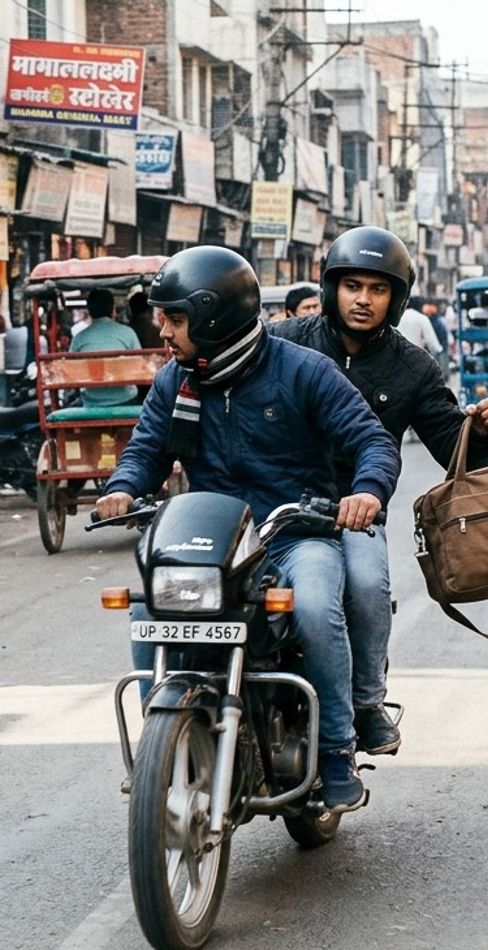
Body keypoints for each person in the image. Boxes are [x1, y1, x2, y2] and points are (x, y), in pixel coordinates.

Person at [96, 246, 401, 812]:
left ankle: (335, 747)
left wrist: (365, 491)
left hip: (295, 533)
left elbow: (371, 441)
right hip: (212, 542)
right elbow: (146, 451)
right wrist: (122, 487)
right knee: (146, 609)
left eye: (175, 318)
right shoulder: (176, 381)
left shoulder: (304, 370)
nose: (162, 329)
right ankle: (159, 738)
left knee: (312, 603)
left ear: (213, 318)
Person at [271, 226, 488, 757]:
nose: (362, 299)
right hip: (273, 504)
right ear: (331, 289)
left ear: (395, 299)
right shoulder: (285, 343)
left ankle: (367, 704)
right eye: (352, 286)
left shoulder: (412, 366)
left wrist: (481, 431)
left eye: (377, 289)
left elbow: (452, 450)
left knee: (368, 586)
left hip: (354, 512)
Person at [70, 288, 142, 406]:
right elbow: (140, 367)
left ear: (89, 311)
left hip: (91, 400)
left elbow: (71, 371)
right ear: (113, 309)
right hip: (126, 399)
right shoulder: (128, 333)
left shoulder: (79, 338)